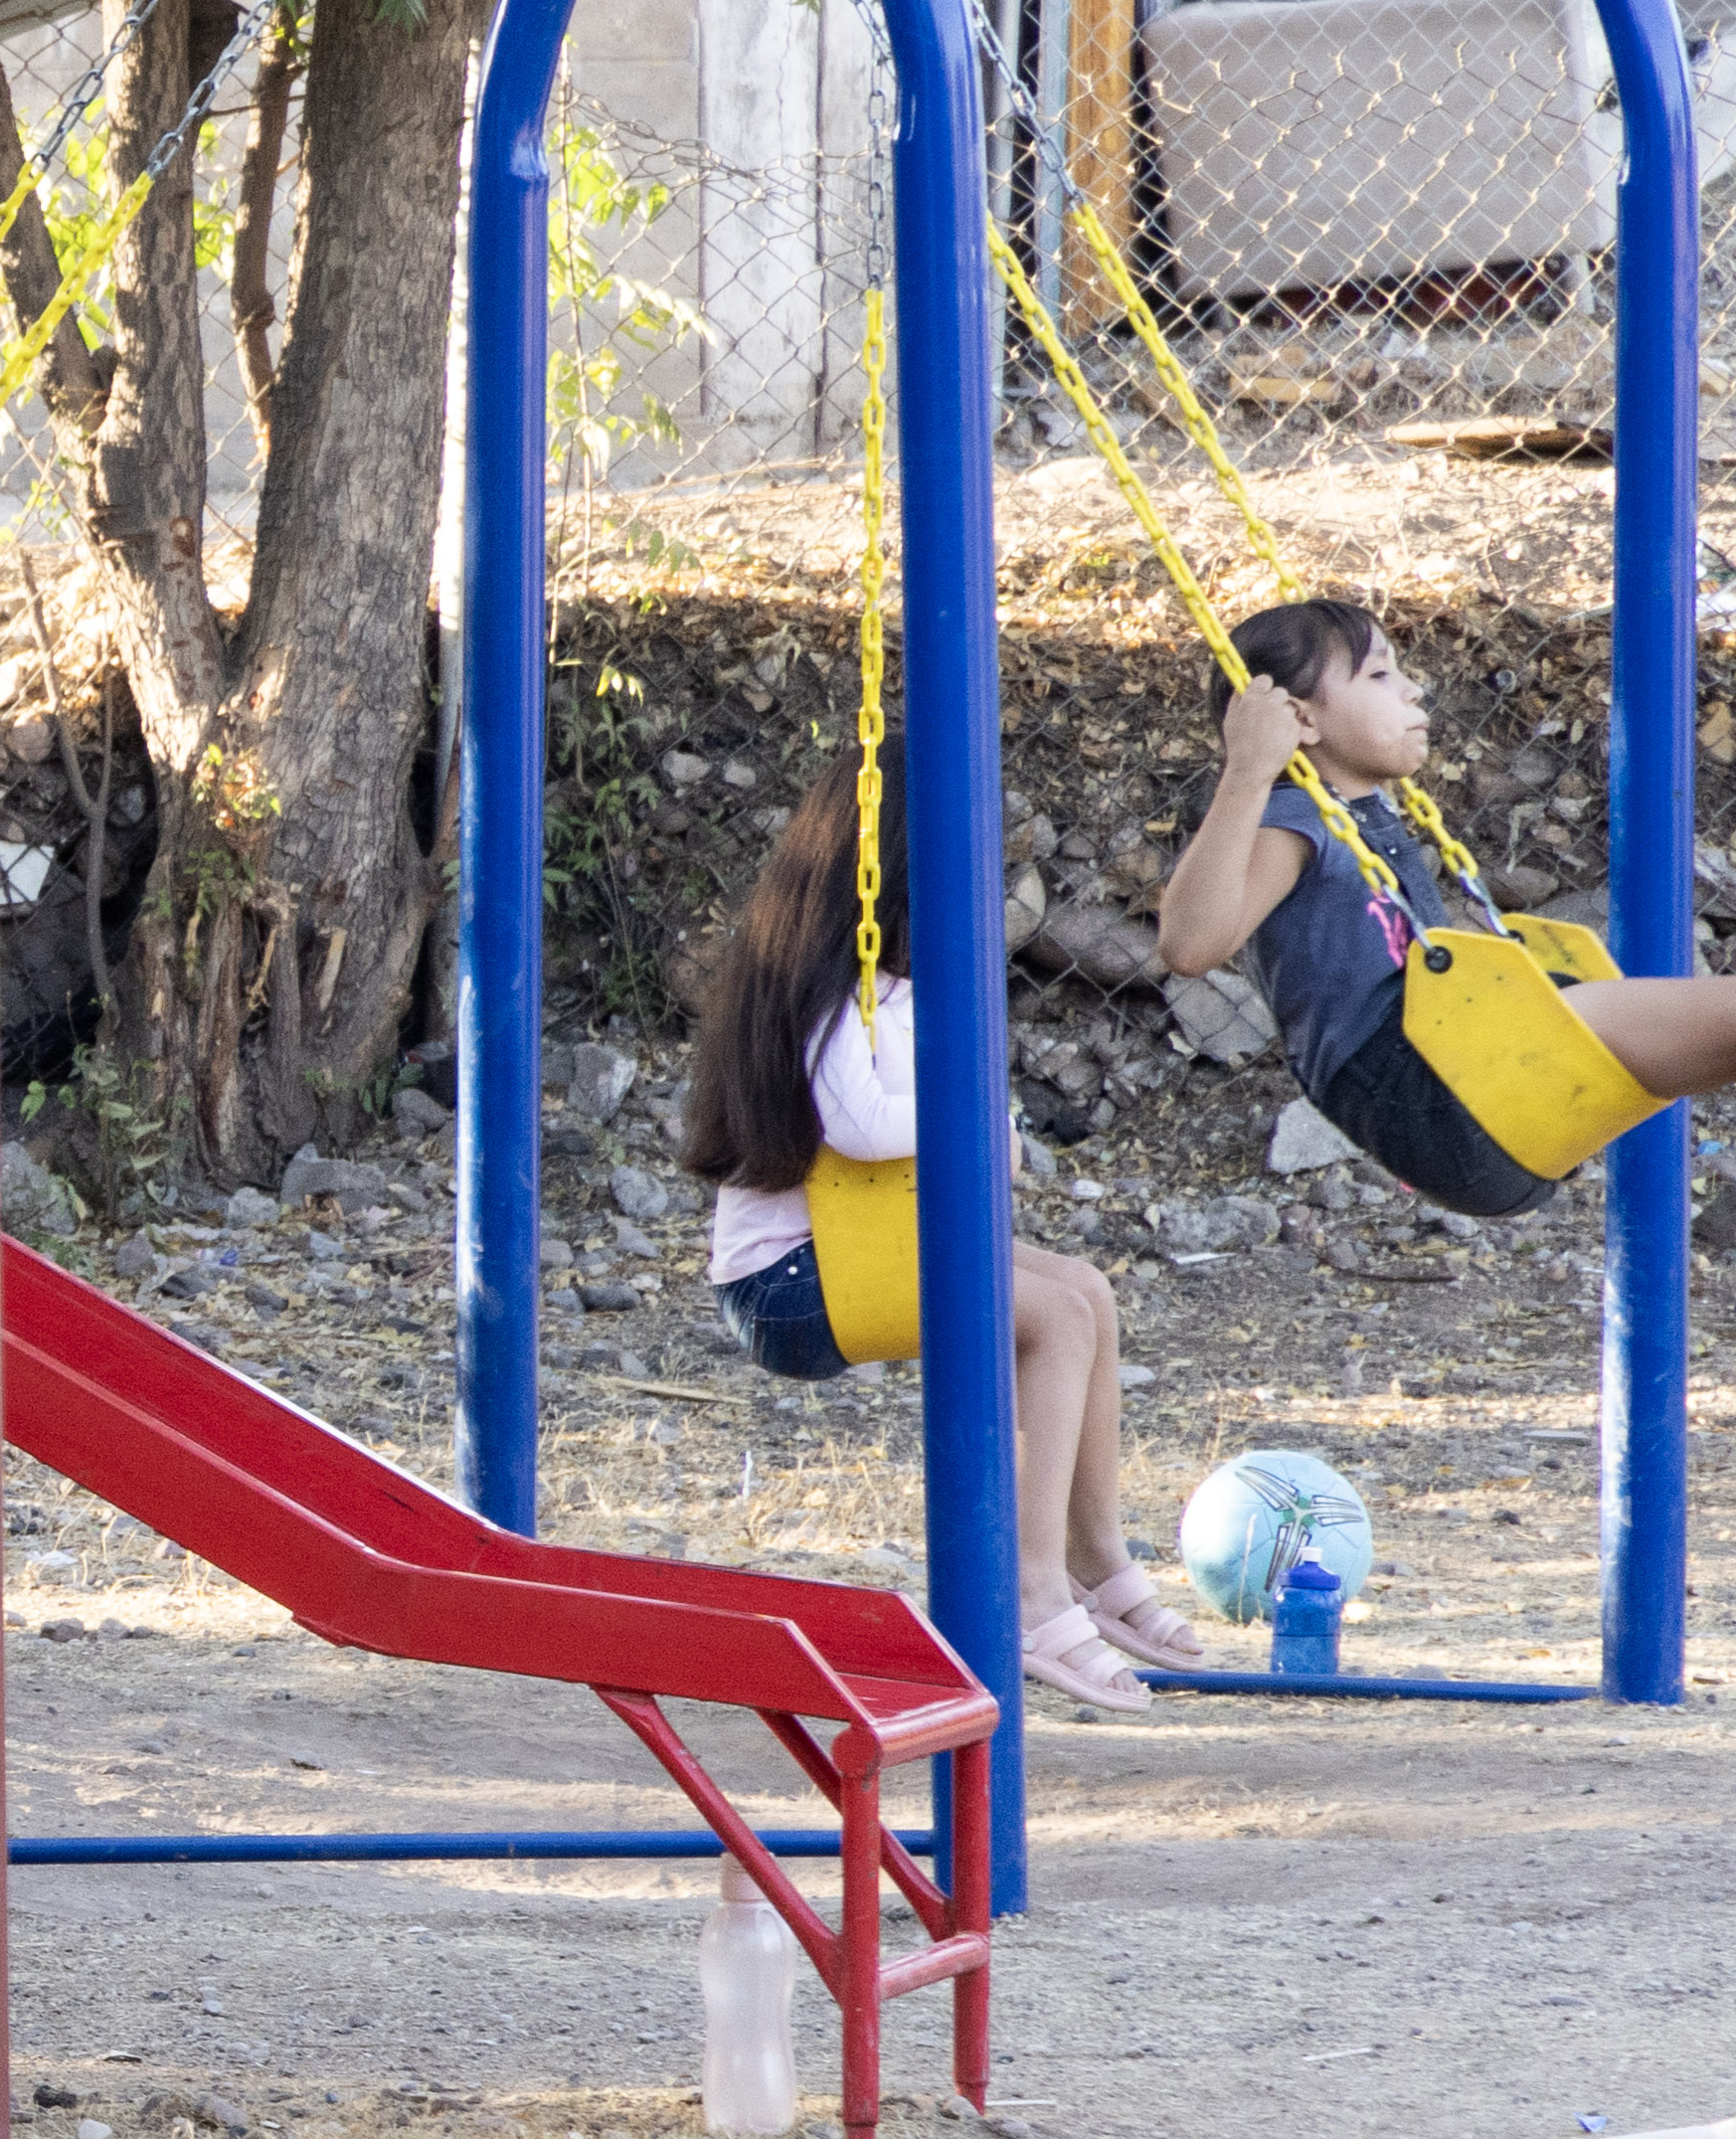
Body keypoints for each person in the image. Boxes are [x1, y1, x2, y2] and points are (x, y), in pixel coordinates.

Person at [677, 759, 1169, 1711]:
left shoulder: (889, 991)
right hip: (794, 1281)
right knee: (1049, 1323)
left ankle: (1093, 1558)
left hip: (858, 1254)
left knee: (1084, 1295)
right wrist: (986, 1122)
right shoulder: (828, 988)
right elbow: (861, 1127)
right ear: (901, 870)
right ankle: (1026, 1592)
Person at [1149, 590, 1736, 1208]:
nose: (1414, 689)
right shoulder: (1292, 821)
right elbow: (1188, 947)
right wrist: (1247, 770)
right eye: (1379, 673)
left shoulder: (1359, 809)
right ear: (1299, 719)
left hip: (1468, 1073)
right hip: (1431, 1092)